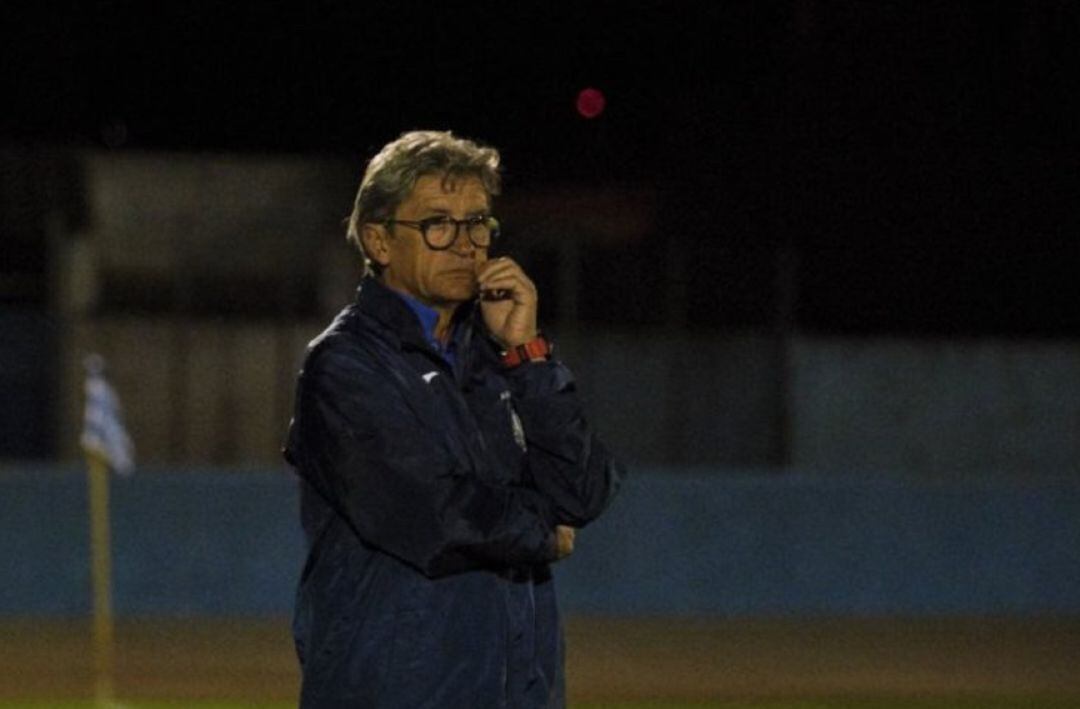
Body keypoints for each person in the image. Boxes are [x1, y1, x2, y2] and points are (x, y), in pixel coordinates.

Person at [283, 130, 623, 708]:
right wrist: (542, 531)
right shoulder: (345, 366)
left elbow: (584, 492)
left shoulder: (502, 352)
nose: (465, 244)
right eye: (438, 224)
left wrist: (528, 355)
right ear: (379, 240)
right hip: (393, 690)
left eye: (478, 223)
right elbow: (429, 514)